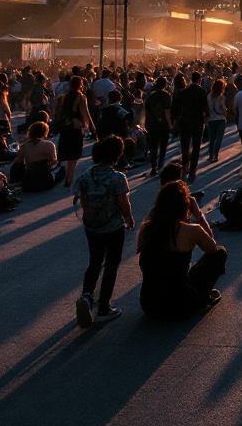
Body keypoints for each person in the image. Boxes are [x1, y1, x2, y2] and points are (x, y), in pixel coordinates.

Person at [137, 181, 228, 320]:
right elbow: (212, 248)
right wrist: (196, 215)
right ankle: (203, 296)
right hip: (181, 306)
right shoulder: (191, 230)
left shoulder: (146, 228)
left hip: (149, 305)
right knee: (220, 253)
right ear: (185, 206)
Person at [74, 137, 134, 327]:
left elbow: (83, 201)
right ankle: (104, 307)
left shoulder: (86, 175)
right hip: (113, 227)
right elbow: (124, 203)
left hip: (92, 226)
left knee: (95, 261)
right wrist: (128, 218)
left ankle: (87, 295)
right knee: (111, 264)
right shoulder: (118, 177)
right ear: (117, 156)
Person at [57, 76, 96, 186]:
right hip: (75, 128)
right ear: (80, 85)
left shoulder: (65, 97)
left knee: (66, 152)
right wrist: (92, 128)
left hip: (65, 127)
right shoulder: (81, 97)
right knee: (73, 155)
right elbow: (85, 114)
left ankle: (65, 174)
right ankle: (69, 178)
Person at [172, 73, 208, 182]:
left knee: (185, 146)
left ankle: (184, 166)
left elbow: (175, 109)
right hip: (197, 122)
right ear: (199, 80)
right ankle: (192, 170)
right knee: (196, 147)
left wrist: (177, 120)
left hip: (185, 122)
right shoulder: (202, 91)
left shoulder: (183, 92)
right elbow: (206, 109)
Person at [18, 121, 64, 192]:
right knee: (61, 170)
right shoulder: (49, 144)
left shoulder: (24, 146)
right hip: (44, 179)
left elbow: (18, 160)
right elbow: (54, 161)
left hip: (28, 180)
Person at [143, 77, 174, 176]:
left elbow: (147, 111)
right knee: (163, 145)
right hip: (163, 123)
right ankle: (160, 165)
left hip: (152, 123)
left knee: (154, 146)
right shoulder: (166, 96)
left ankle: (153, 166)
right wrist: (170, 125)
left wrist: (146, 123)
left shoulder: (151, 96)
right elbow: (167, 111)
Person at [207, 79, 228, 164]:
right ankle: (215, 154)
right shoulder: (221, 97)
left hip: (211, 119)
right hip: (220, 119)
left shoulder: (209, 96)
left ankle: (210, 154)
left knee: (212, 138)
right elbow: (222, 108)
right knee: (219, 138)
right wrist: (226, 113)